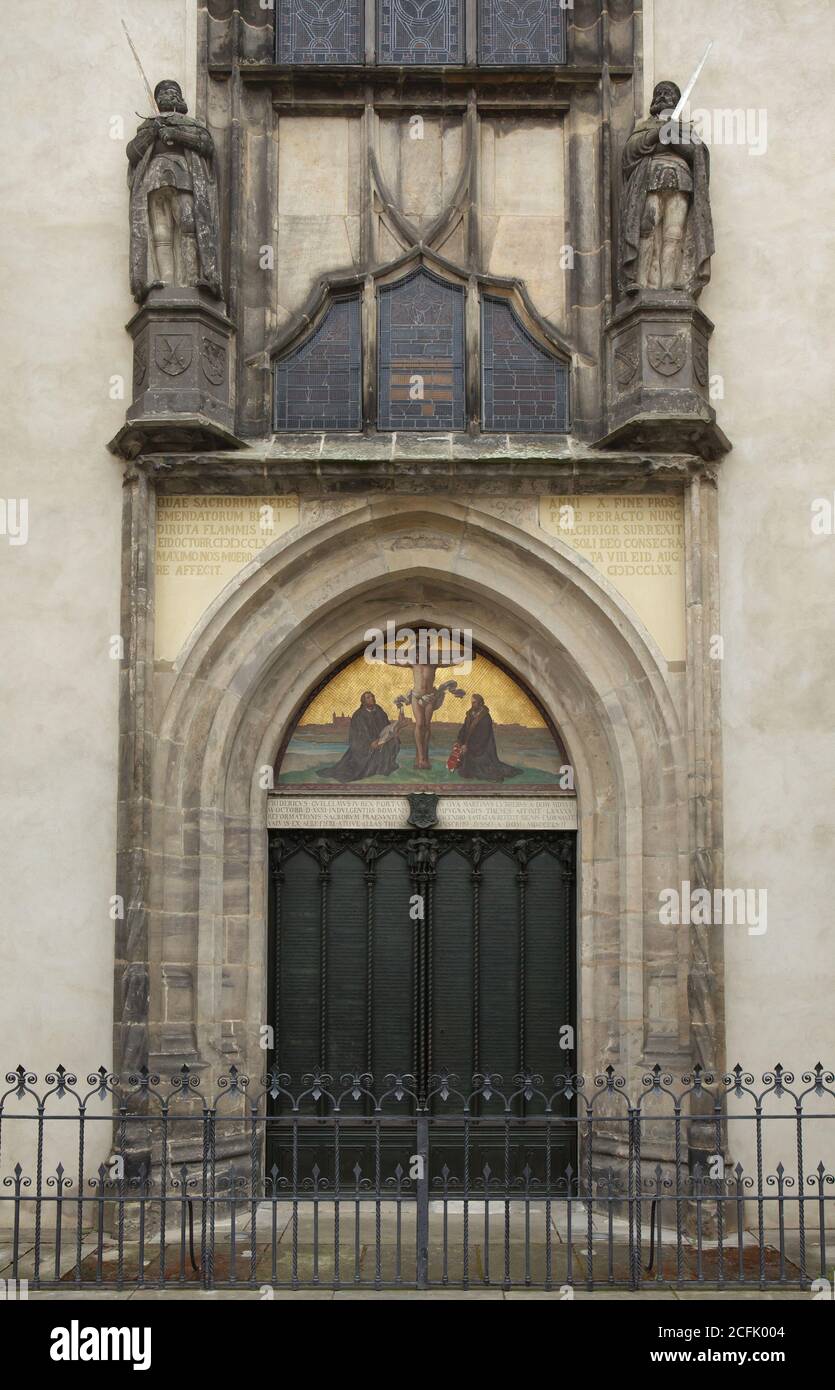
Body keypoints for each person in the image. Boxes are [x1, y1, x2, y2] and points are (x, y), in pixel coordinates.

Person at [127, 79, 223, 303]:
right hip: (155, 180)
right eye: (162, 93)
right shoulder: (149, 126)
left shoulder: (191, 124)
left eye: (172, 92)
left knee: (188, 226)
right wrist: (152, 133)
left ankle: (191, 280)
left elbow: (206, 144)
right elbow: (133, 153)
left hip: (184, 178)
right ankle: (166, 282)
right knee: (161, 234)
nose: (167, 95)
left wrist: (177, 135)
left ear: (179, 98)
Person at [619, 79, 714, 297]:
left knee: (674, 234)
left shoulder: (685, 128)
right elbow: (630, 153)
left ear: (676, 101)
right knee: (647, 230)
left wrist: (672, 137)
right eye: (659, 92)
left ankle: (671, 283)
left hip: (680, 180)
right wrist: (658, 134)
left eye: (668, 93)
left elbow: (696, 154)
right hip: (649, 180)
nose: (662, 96)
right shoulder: (644, 127)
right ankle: (642, 283)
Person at [316, 692, 401, 782]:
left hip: (381, 740)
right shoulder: (358, 715)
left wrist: (393, 732)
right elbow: (357, 736)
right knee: (354, 771)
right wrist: (370, 743)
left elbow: (387, 726)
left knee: (395, 740)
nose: (372, 698)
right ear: (363, 701)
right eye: (368, 697)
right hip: (364, 745)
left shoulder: (379, 710)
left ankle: (385, 766)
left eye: (372, 696)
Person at [454, 694, 520, 782]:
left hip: (481, 750)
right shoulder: (470, 714)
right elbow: (464, 729)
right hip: (469, 747)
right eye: (472, 703)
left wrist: (468, 747)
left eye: (474, 703)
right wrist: (459, 741)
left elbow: (483, 738)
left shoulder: (485, 718)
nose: (472, 704)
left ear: (480, 703)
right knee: (462, 768)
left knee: (482, 771)